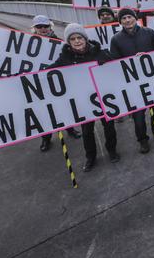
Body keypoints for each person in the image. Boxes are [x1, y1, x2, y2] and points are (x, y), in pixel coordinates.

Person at [48, 23, 120, 171]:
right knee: (87, 131)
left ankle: (112, 150)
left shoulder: (99, 52)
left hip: (103, 98)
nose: (77, 41)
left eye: (79, 37)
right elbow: (48, 73)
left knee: (109, 127)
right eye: (72, 39)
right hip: (83, 102)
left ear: (85, 38)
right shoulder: (65, 58)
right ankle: (90, 157)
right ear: (69, 42)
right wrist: (27, 77)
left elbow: (117, 66)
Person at [109, 8, 154, 153]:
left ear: (135, 18)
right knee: (138, 115)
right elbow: (115, 62)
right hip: (132, 84)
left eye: (129, 17)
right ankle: (142, 140)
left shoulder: (148, 32)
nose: (127, 20)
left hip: (151, 80)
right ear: (120, 22)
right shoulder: (116, 39)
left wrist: (147, 56)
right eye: (123, 18)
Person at [30, 15, 81, 150]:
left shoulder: (60, 43)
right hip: (40, 82)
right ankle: (46, 138)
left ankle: (70, 130)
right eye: (39, 27)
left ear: (50, 26)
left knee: (64, 106)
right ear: (35, 28)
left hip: (58, 81)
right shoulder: (28, 43)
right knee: (44, 111)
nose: (43, 29)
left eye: (45, 26)